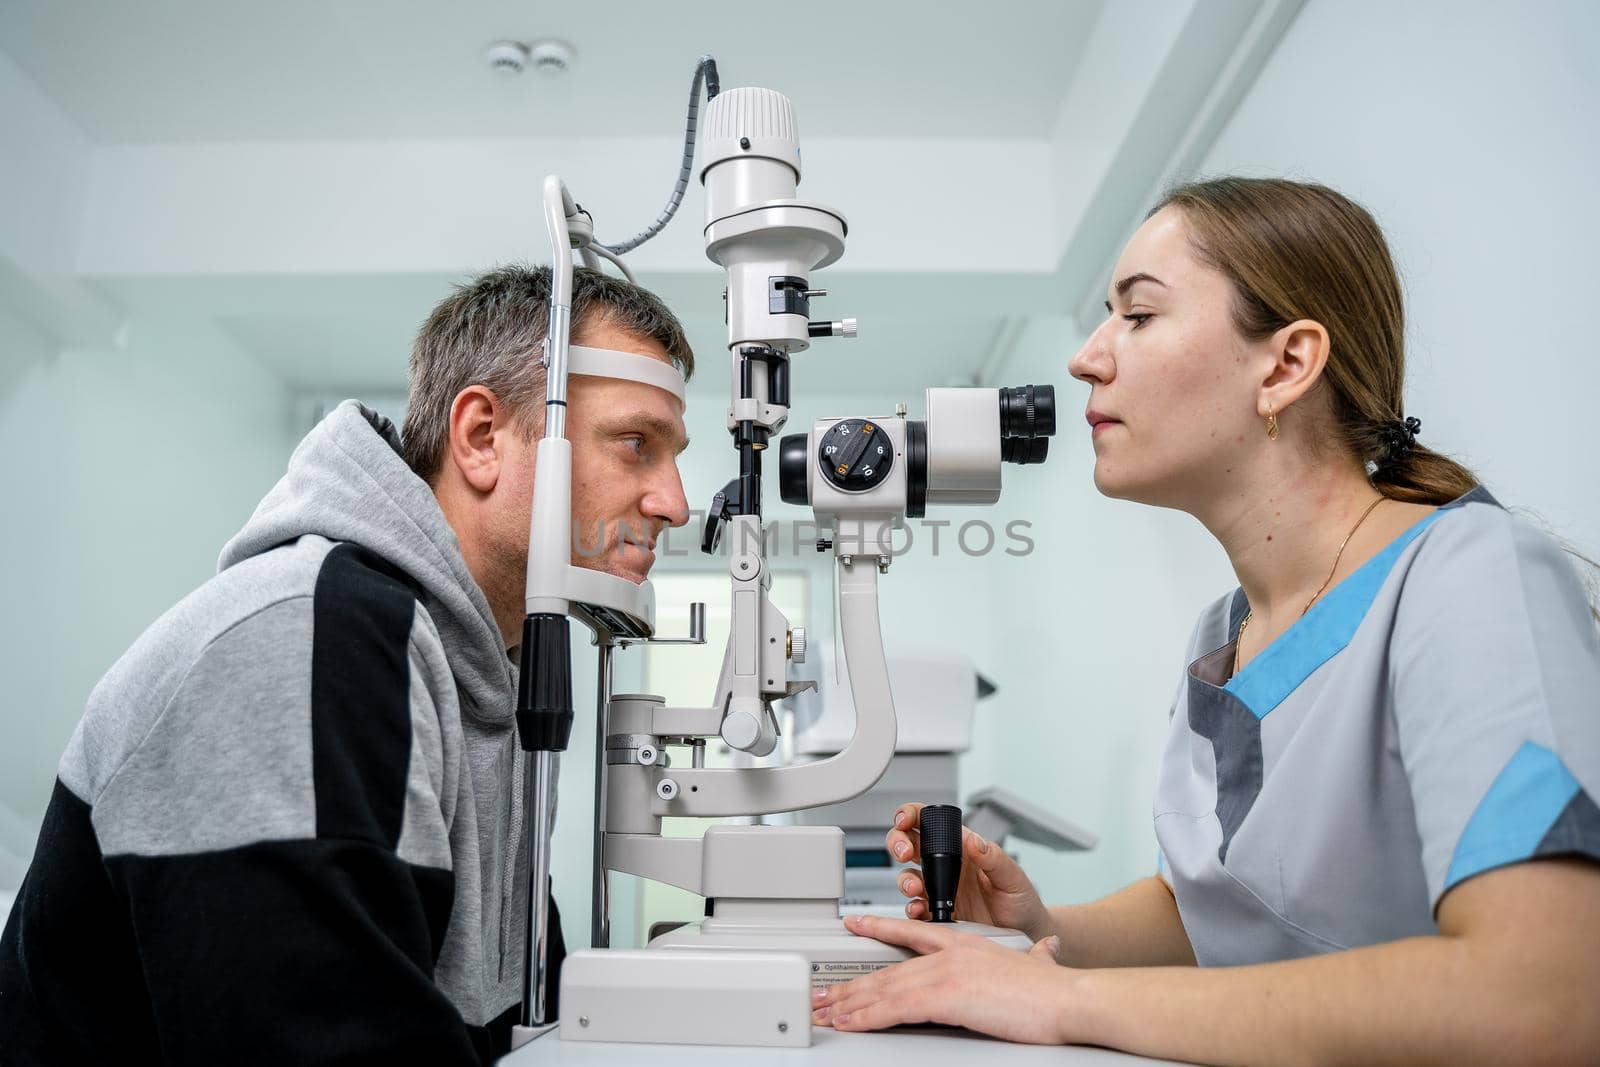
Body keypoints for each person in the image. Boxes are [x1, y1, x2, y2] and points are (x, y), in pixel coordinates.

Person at [812, 178, 1600, 1063]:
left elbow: (1543, 997)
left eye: (1138, 316)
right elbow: (1219, 913)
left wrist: (1064, 1000)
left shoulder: (1473, 579)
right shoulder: (1225, 632)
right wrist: (1039, 926)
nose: (1087, 358)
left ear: (1287, 364)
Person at [0, 265, 694, 1064]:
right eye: (636, 444)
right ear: (479, 438)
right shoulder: (301, 639)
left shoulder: (478, 677)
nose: (674, 501)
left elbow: (515, 1011)